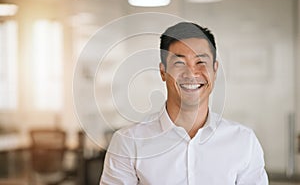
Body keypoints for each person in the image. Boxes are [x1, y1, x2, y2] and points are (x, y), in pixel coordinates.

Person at [100, 22, 269, 185]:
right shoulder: (128, 143)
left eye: (201, 62)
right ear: (163, 72)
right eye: (179, 63)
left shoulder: (243, 141)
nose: (191, 73)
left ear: (215, 70)